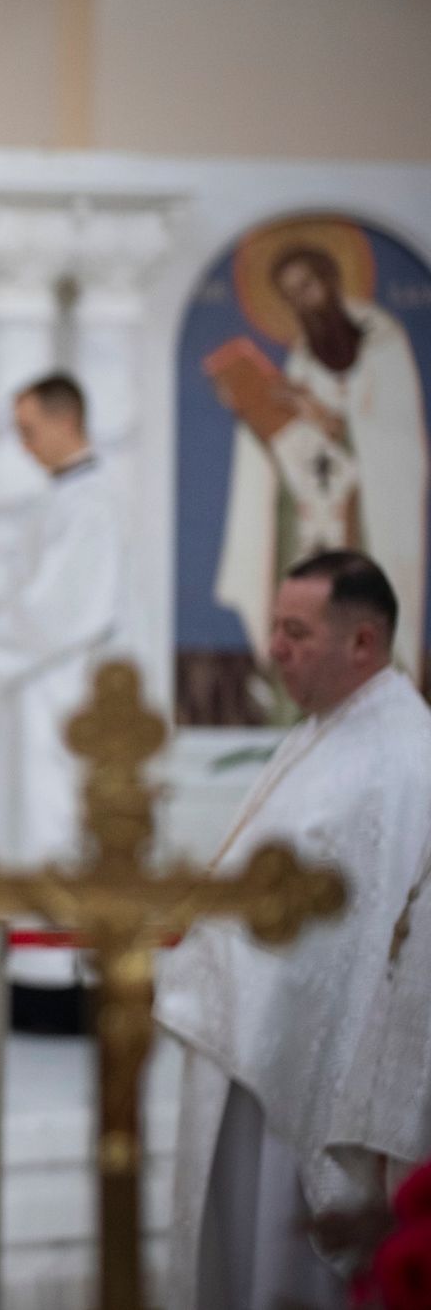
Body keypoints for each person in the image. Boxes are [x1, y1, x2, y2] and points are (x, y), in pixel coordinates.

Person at [158, 551, 431, 1309]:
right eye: (276, 627)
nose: (273, 646)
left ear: (363, 643)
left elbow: (337, 930)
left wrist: (205, 952)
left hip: (305, 1072)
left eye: (295, 631)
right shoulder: (332, 728)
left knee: (279, 1260)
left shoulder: (394, 756)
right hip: (258, 1047)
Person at [0, 374, 124, 1032]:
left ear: (65, 419)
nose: (23, 441)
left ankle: (60, 992)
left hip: (63, 698)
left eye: (29, 426)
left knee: (54, 829)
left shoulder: (89, 503)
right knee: (28, 827)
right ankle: (32, 979)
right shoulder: (65, 499)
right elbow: (40, 596)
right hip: (40, 691)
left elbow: (67, 610)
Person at [214, 245, 427, 691]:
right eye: (291, 295)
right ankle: (295, 691)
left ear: (330, 280)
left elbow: (401, 438)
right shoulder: (304, 352)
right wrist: (255, 411)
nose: (303, 302)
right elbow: (292, 442)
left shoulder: (383, 339)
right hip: (310, 505)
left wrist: (324, 413)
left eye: (307, 286)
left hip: (369, 511)